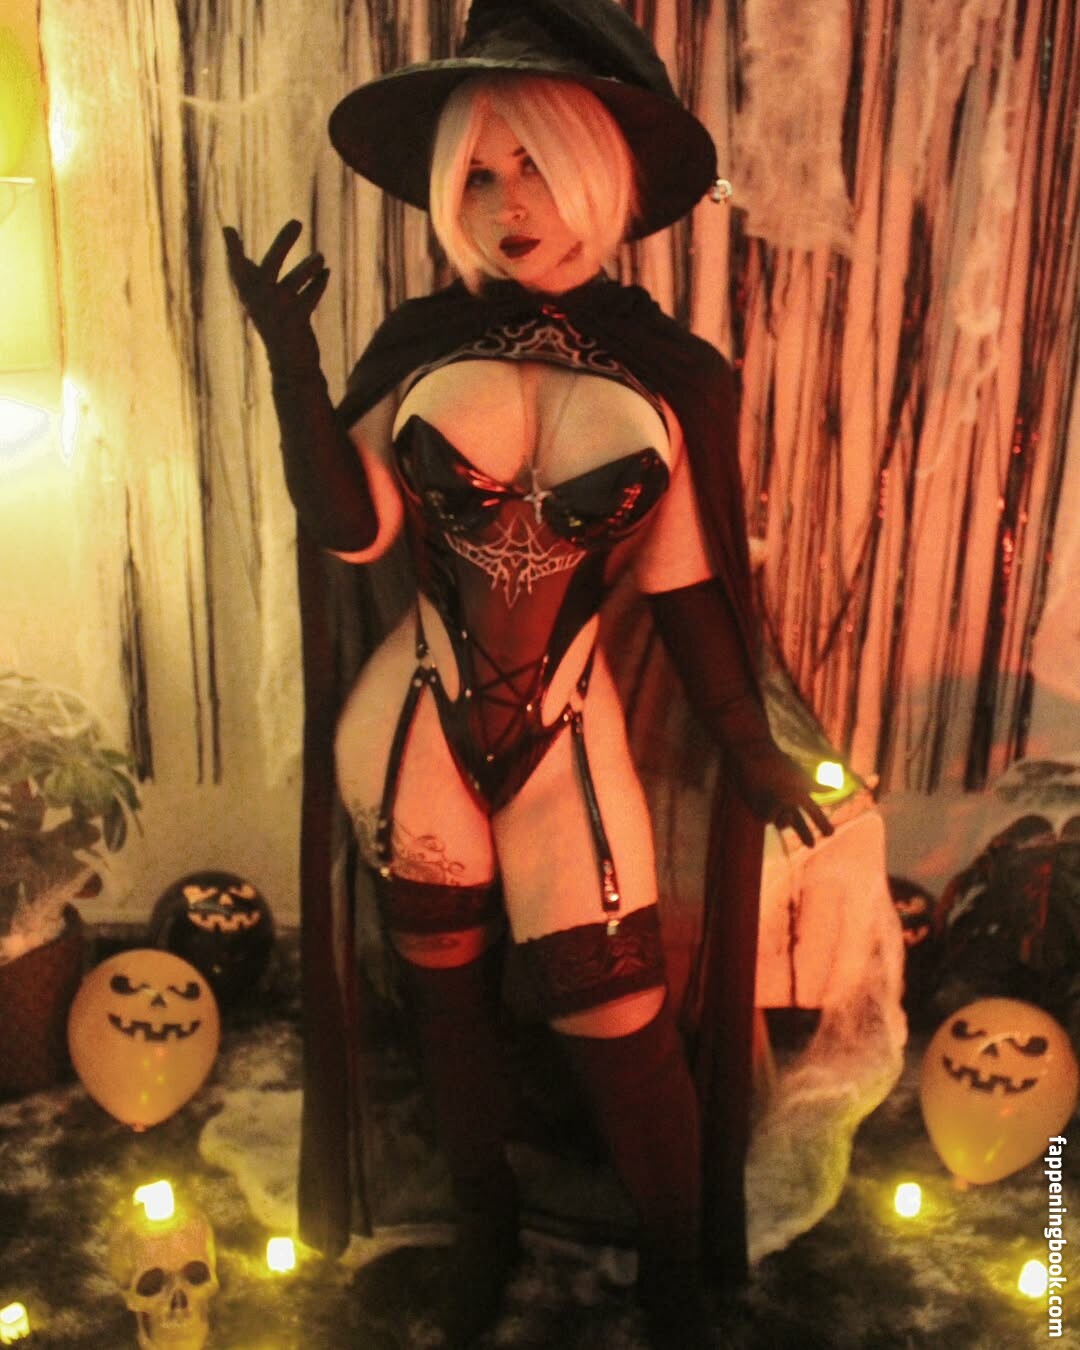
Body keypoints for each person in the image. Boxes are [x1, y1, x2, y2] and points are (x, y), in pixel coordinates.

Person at [224, 2, 832, 1346]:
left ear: (604, 174)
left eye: (540, 166)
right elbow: (354, 532)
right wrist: (293, 369)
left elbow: (690, 589)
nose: (510, 207)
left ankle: (671, 1266)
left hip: (567, 736)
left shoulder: (674, 379)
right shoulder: (417, 350)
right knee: (441, 997)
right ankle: (483, 1224)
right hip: (412, 728)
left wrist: (747, 746)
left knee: (620, 1013)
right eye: (480, 176)